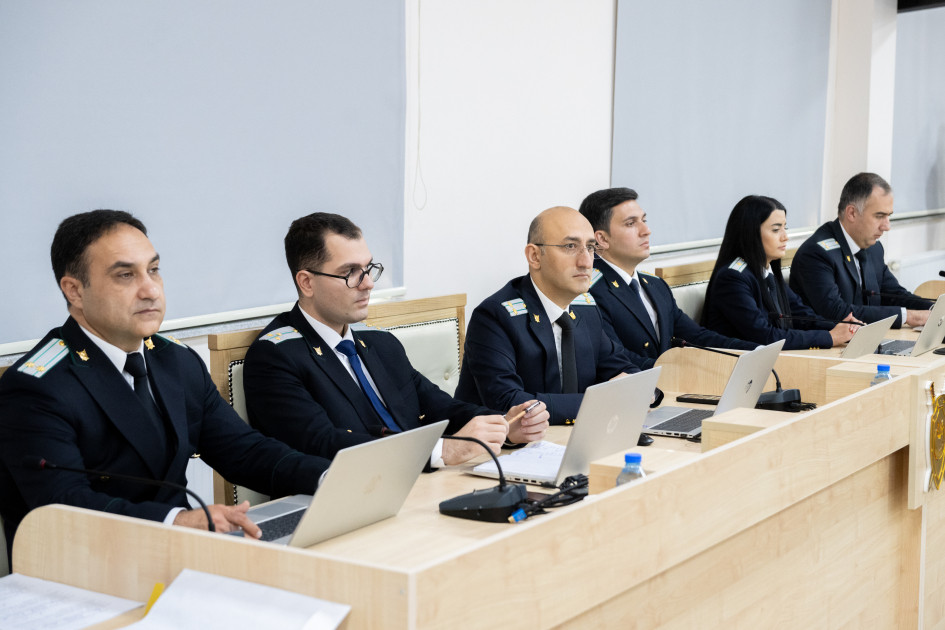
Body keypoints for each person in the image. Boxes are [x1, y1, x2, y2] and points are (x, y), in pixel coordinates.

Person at [0, 210, 332, 556]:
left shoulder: (176, 361)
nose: (150, 290)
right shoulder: (37, 386)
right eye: (125, 275)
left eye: (154, 270)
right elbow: (63, 505)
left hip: (179, 555)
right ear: (74, 291)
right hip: (88, 570)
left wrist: (329, 477)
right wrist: (176, 521)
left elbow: (244, 450)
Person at [242, 213, 548, 467]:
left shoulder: (380, 344)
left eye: (368, 268)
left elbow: (443, 407)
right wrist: (443, 452)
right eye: (350, 272)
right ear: (306, 282)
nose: (368, 284)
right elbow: (322, 443)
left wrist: (506, 425)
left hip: (421, 487)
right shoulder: (275, 357)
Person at [454, 206, 653, 427]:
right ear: (535, 256)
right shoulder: (495, 316)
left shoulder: (586, 309)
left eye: (590, 247)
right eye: (570, 246)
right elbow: (511, 403)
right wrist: (604, 401)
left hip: (570, 440)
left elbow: (626, 371)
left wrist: (631, 390)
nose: (586, 262)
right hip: (503, 452)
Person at [578, 187, 756, 369]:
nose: (646, 230)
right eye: (631, 223)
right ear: (602, 239)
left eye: (644, 220)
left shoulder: (655, 285)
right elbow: (616, 358)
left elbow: (698, 337)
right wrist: (677, 373)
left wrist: (757, 351)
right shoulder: (588, 291)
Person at [701, 195, 857, 350]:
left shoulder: (767, 273)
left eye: (785, 228)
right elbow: (765, 337)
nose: (785, 237)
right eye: (776, 230)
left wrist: (843, 327)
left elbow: (802, 316)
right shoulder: (732, 279)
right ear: (751, 233)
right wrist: (830, 337)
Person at [789, 172, 931, 328]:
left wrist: (933, 309)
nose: (887, 226)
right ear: (852, 213)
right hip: (824, 349)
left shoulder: (874, 248)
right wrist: (908, 316)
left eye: (888, 216)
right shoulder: (816, 254)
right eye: (879, 216)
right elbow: (837, 312)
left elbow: (893, 294)